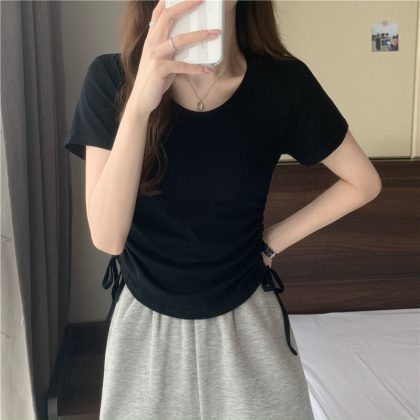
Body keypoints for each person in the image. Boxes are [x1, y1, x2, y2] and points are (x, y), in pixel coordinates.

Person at [63, 0, 382, 419]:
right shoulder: (111, 78)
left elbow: (363, 182)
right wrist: (140, 104)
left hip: (248, 325)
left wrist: (270, 242)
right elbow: (107, 237)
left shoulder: (283, 84)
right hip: (146, 333)